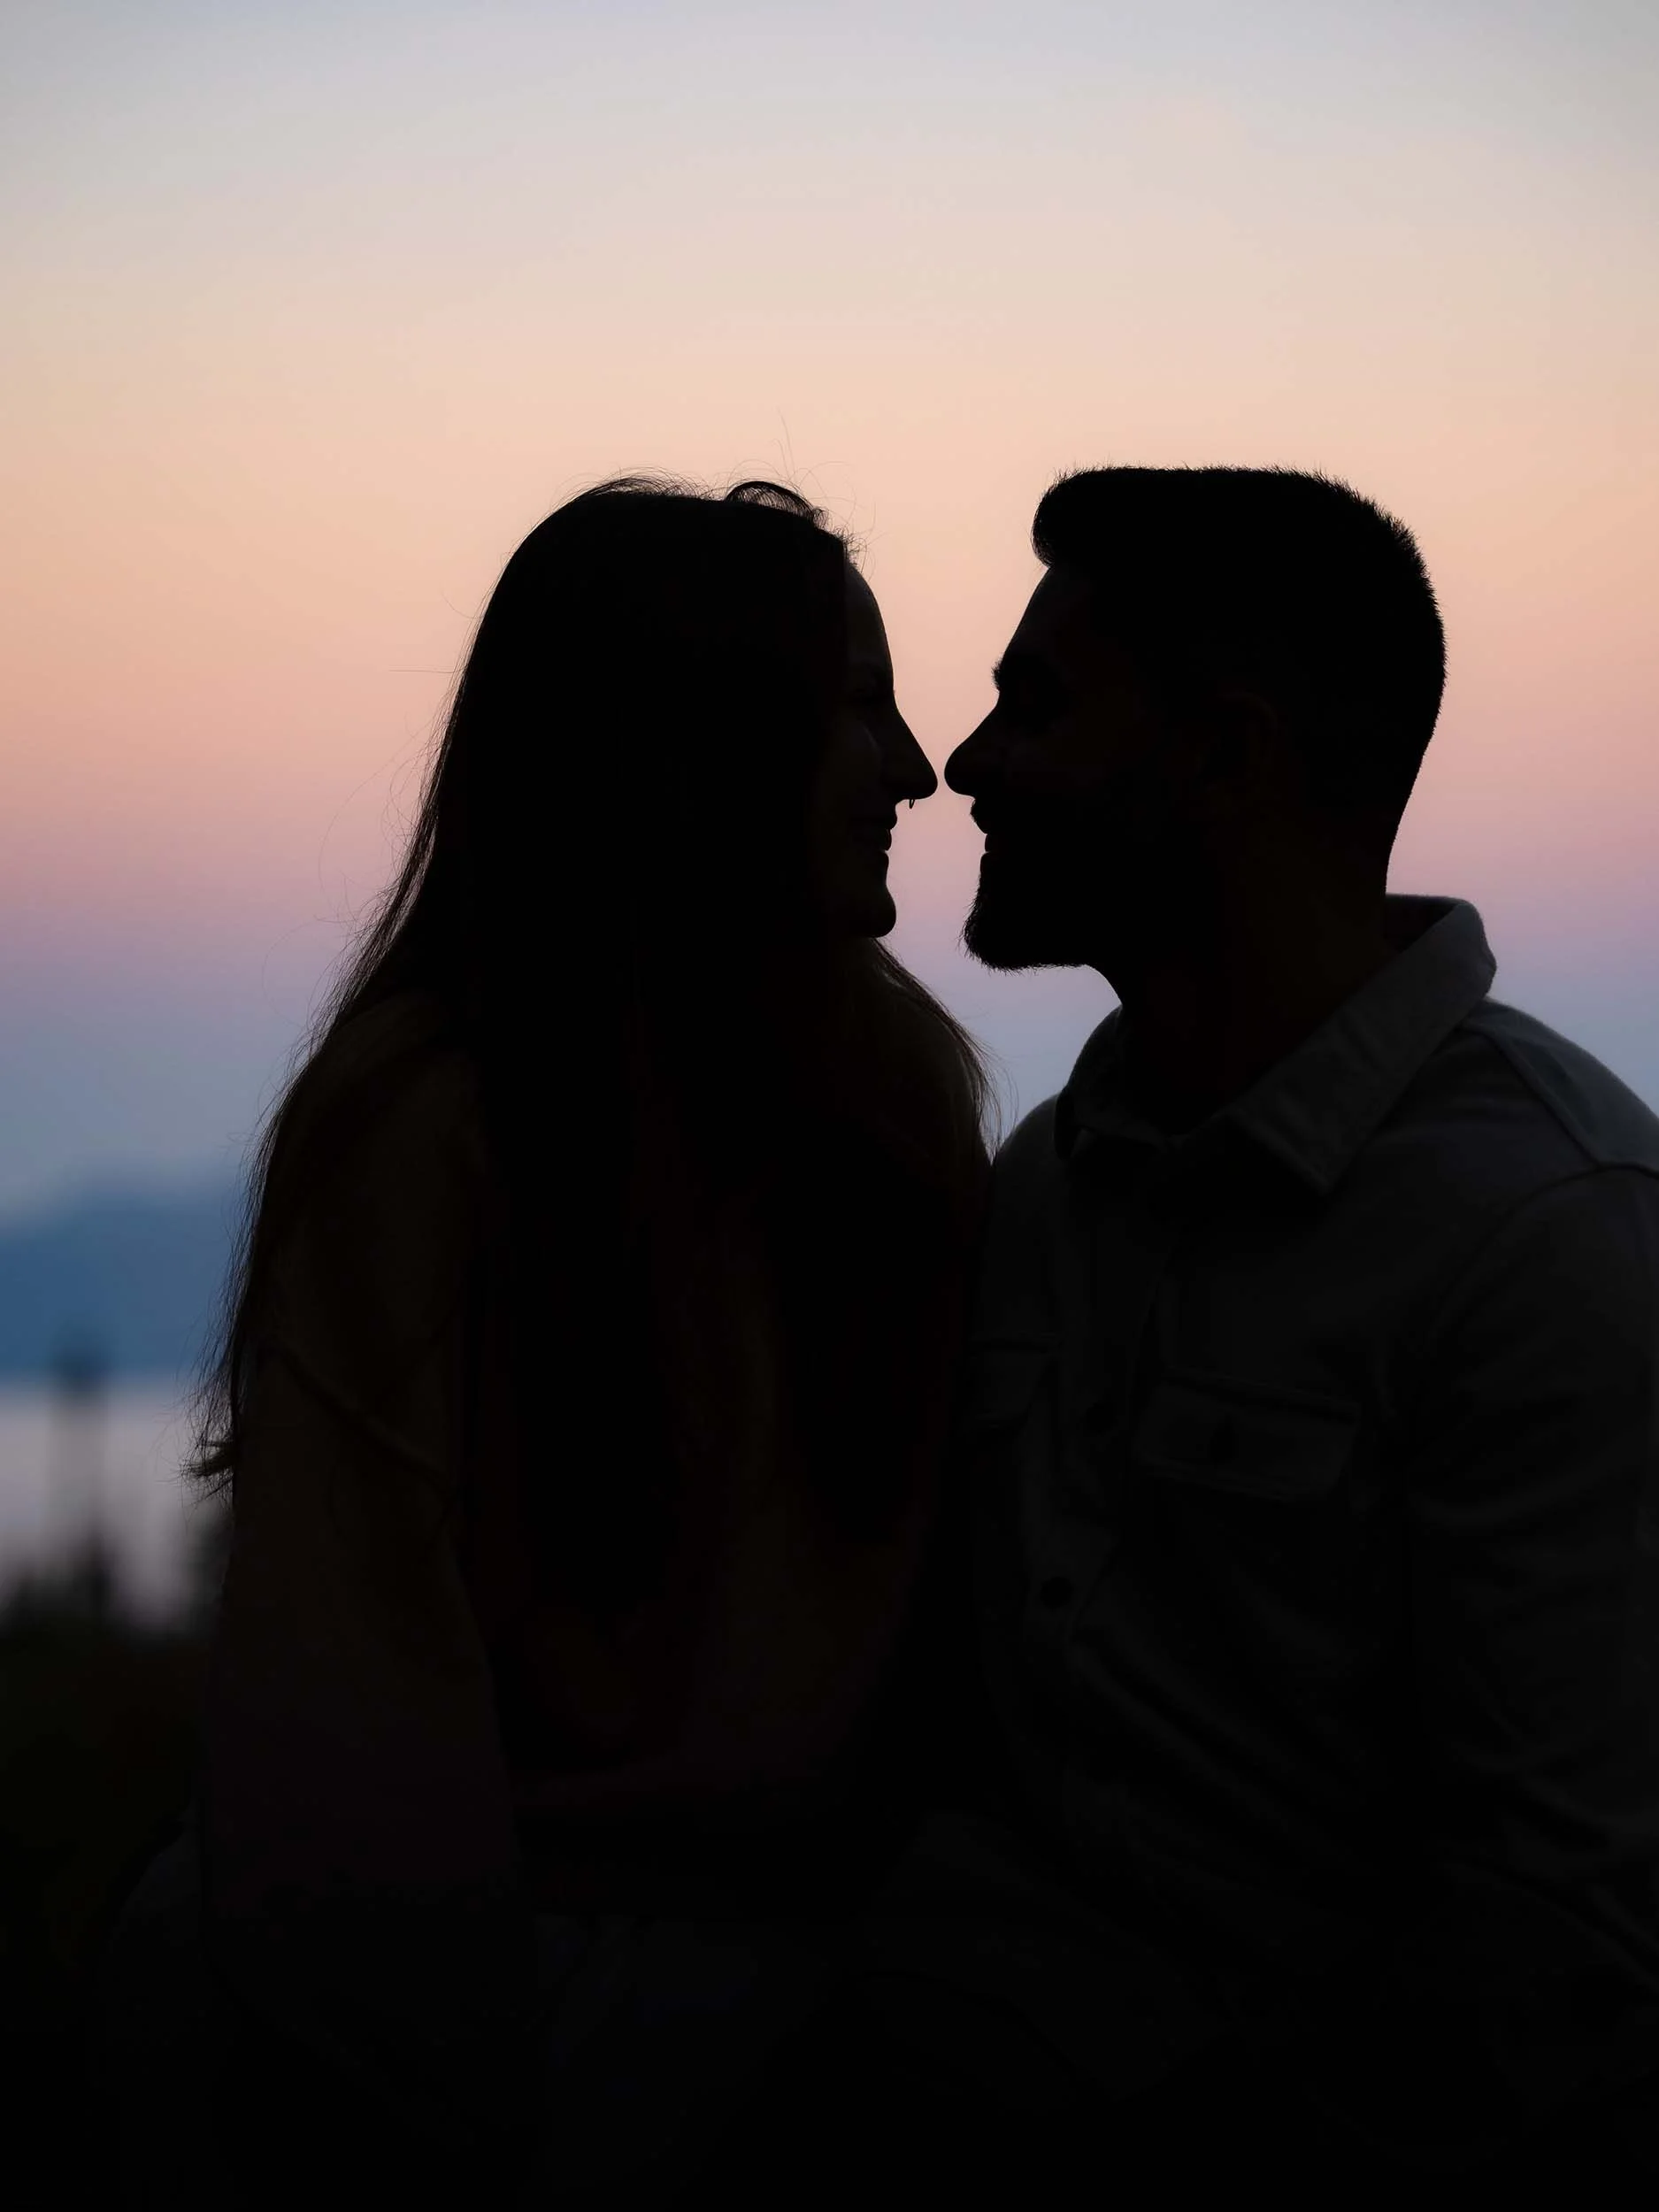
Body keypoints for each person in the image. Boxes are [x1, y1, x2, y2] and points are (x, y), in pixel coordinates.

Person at [742, 465, 1659, 2202]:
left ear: (1225, 758)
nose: (968, 764)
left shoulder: (1548, 1234)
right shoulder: (1042, 1185)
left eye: (1036, 705)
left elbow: (1561, 1959)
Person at [92, 477, 989, 2203]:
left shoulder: (899, 1111)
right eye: (857, 707)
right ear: (703, 752)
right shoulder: (434, 1136)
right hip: (471, 2028)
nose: (914, 767)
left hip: (820, 2014)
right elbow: (350, 1720)